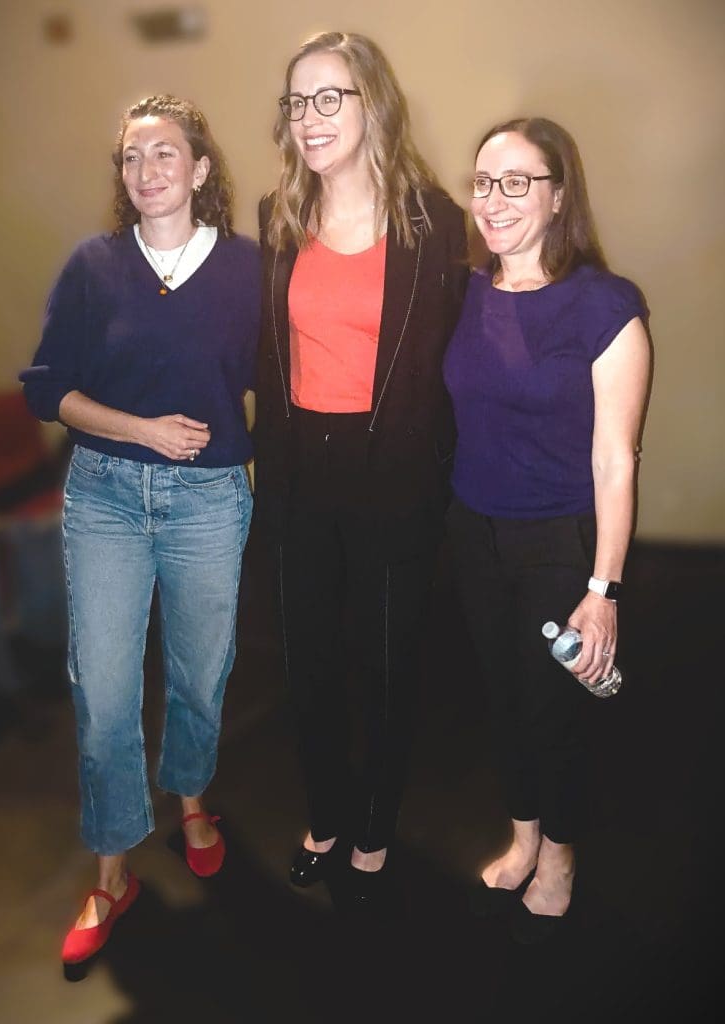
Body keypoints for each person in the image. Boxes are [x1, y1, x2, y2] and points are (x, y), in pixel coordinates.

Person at [21, 95, 259, 963]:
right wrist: (141, 429)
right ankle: (112, 868)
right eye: (131, 158)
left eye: (165, 154)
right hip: (107, 498)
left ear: (200, 170)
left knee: (201, 672)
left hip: (207, 501)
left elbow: (288, 371)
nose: (147, 169)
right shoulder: (93, 268)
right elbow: (49, 388)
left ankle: (192, 801)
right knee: (107, 690)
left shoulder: (247, 269)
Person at [254, 31, 468, 909]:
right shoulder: (278, 217)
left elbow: (467, 353)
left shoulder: (433, 223)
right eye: (298, 101)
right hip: (301, 466)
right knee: (306, 663)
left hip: (393, 474)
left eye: (329, 97)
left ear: (372, 102)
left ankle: (377, 821)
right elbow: (261, 354)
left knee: (383, 660)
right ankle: (326, 818)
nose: (310, 118)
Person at [443, 117, 651, 942]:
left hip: (557, 542)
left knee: (551, 710)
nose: (493, 200)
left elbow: (616, 461)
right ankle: (524, 833)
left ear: (559, 195)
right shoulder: (466, 293)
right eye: (483, 182)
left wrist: (602, 590)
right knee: (500, 698)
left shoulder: (606, 305)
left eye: (517, 182)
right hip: (472, 530)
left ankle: (560, 855)